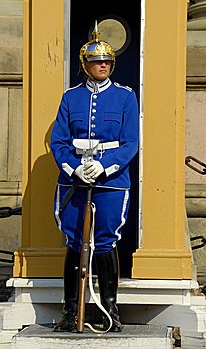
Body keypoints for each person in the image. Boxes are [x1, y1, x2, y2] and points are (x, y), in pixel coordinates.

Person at [50, 22, 139, 332]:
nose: (101, 66)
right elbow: (58, 141)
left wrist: (105, 166)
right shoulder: (70, 97)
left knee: (104, 242)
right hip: (75, 179)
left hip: (110, 181)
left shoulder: (126, 97)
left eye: (106, 61)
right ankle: (71, 310)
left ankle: (109, 310)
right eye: (95, 61)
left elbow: (131, 143)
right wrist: (71, 167)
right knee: (75, 242)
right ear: (85, 64)